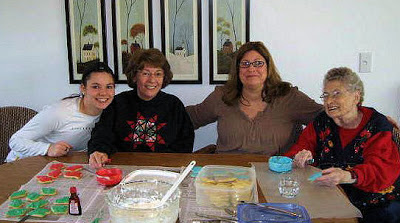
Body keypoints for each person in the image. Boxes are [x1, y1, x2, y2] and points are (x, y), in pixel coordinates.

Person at [285, 67, 400, 223]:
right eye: (325, 95)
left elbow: (381, 171)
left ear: (356, 96)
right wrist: (300, 157)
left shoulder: (377, 126)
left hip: (375, 201)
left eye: (337, 94)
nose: (329, 101)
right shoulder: (322, 122)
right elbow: (299, 148)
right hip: (331, 195)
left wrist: (348, 175)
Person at [186, 41, 323, 155]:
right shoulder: (222, 96)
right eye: (245, 64)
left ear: (268, 67)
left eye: (258, 63)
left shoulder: (289, 97)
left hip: (274, 177)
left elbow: (326, 118)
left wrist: (306, 148)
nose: (251, 69)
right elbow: (186, 118)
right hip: (226, 176)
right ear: (237, 69)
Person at [88, 48, 194, 168]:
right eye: (145, 73)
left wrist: (164, 164)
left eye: (158, 74)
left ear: (164, 77)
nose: (152, 80)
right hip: (123, 168)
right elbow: (101, 135)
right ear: (134, 76)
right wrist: (99, 151)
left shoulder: (174, 105)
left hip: (163, 170)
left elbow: (185, 144)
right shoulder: (118, 103)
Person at [6, 62, 116, 162]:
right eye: (95, 87)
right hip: (22, 163)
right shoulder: (59, 112)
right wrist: (48, 148)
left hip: (60, 165)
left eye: (109, 87)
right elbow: (16, 141)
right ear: (83, 88)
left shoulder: (111, 112)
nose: (103, 93)